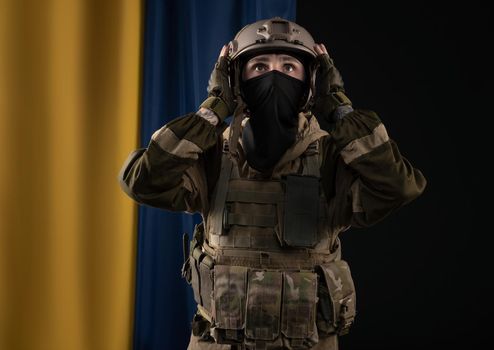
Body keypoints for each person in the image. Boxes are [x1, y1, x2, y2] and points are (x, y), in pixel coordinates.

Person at [119, 17, 427, 350]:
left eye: (290, 67)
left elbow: (399, 186)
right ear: (238, 81)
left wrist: (340, 110)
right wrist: (210, 112)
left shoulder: (331, 156)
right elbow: (143, 182)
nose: (275, 76)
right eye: (260, 66)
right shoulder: (210, 153)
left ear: (311, 83)